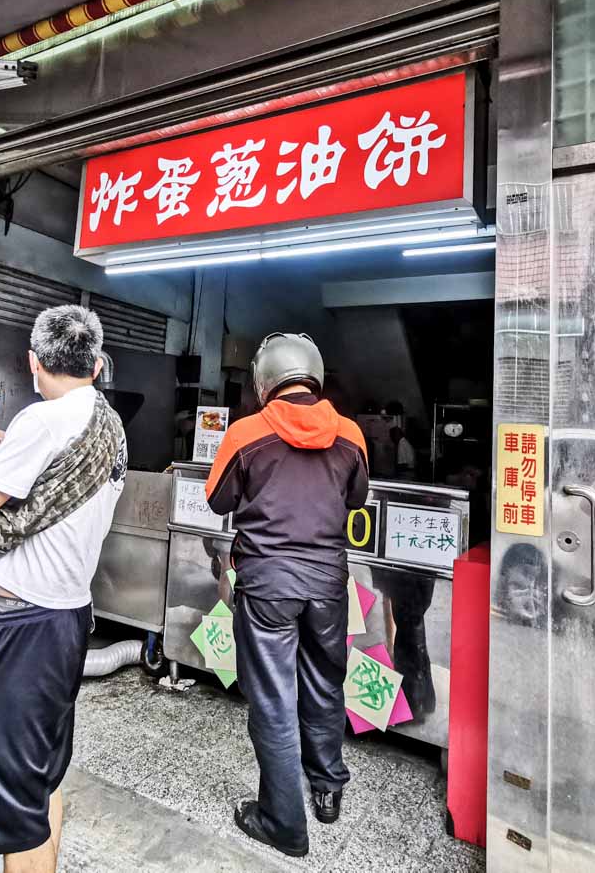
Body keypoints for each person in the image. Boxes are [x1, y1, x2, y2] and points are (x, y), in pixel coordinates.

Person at [0, 305, 127, 872]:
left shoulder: (42, 422)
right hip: (70, 615)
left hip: (23, 620)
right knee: (41, 767)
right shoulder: (110, 424)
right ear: (95, 365)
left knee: (6, 773)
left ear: (33, 362)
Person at [206, 332, 369, 858]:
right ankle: (326, 791)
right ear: (313, 374)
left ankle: (282, 821)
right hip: (327, 583)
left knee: (274, 700)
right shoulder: (352, 435)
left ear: (263, 380)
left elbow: (217, 499)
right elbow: (356, 497)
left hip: (268, 583)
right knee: (324, 683)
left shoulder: (246, 432)